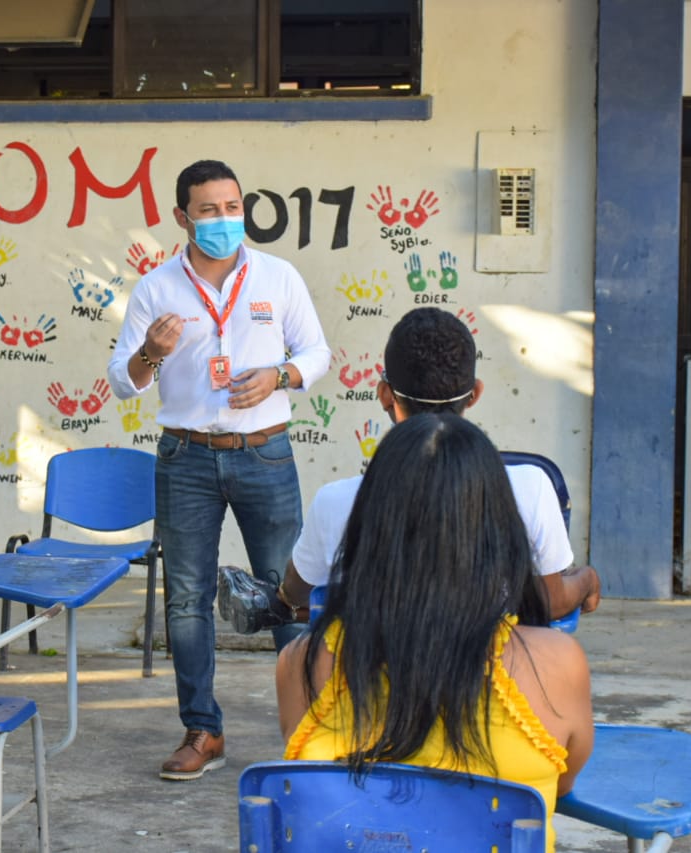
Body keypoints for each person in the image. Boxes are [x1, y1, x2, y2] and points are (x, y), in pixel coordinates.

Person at [107, 159, 331, 781]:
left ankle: (308, 731)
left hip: (265, 451)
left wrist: (279, 375)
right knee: (186, 598)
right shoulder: (156, 289)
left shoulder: (277, 276)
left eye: (233, 208)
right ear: (183, 217)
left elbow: (317, 353)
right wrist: (151, 352)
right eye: (209, 210)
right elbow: (123, 382)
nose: (224, 220)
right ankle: (203, 730)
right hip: (186, 458)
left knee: (288, 593)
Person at [276, 415, 594, 851]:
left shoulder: (301, 663)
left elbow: (323, 801)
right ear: (499, 529)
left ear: (369, 527)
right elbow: (560, 785)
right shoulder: (558, 664)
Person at [256, 307, 599, 627]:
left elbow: (297, 592)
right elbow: (551, 602)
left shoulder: (335, 502)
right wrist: (586, 580)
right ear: (475, 394)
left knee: (295, 659)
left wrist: (285, 598)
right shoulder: (531, 486)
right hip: (494, 670)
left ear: (385, 395)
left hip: (371, 668)